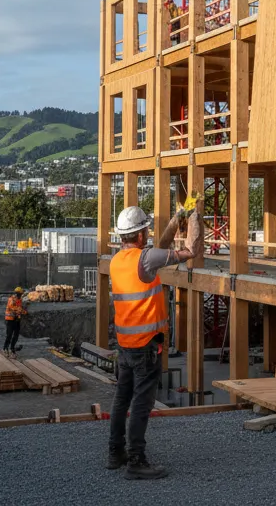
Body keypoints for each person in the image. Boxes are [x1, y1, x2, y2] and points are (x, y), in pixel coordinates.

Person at [108, 203, 202, 480]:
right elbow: (191, 251)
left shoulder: (119, 260)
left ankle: (116, 453)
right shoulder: (145, 259)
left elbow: (158, 250)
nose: (149, 233)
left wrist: (176, 220)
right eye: (146, 229)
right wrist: (194, 219)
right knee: (141, 403)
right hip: (146, 345)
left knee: (121, 399)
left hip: (125, 344)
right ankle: (136, 461)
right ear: (139, 235)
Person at [3, 286, 28, 358]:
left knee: (16, 335)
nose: (21, 295)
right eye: (20, 294)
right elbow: (13, 307)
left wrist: (22, 311)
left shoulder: (19, 300)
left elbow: (19, 308)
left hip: (17, 320)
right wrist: (23, 311)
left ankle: (12, 349)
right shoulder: (11, 299)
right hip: (10, 319)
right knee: (9, 335)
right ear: (17, 293)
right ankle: (5, 348)